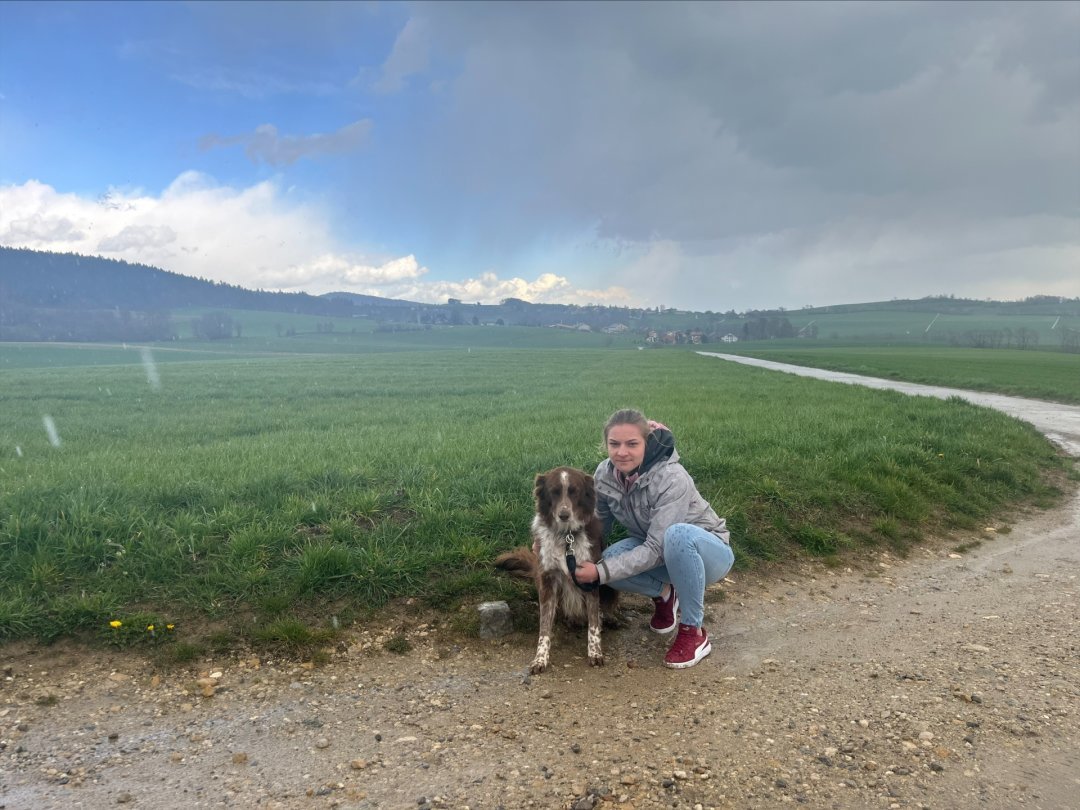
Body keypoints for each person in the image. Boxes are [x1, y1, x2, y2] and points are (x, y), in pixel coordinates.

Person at [571, 408, 734, 668]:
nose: (621, 452)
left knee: (676, 535)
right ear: (606, 445)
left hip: (708, 553)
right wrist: (562, 542)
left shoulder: (671, 478)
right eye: (614, 444)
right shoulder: (604, 474)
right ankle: (666, 595)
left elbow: (658, 547)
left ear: (646, 444)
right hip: (659, 550)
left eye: (632, 444)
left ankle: (694, 632)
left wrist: (600, 573)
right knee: (611, 557)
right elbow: (597, 523)